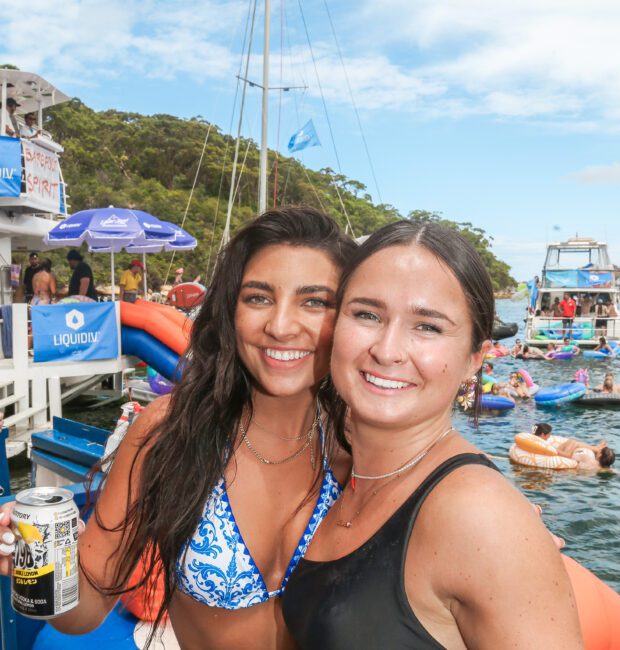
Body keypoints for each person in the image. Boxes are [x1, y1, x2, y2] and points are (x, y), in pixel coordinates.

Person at [0, 207, 356, 648]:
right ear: (230, 310)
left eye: (315, 301)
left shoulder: (361, 447)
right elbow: (86, 610)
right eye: (258, 297)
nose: (281, 326)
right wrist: (38, 564)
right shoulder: (170, 432)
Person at [282, 221, 582, 649]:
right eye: (367, 314)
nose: (387, 349)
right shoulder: (341, 470)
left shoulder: (479, 516)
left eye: (428, 327)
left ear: (474, 358)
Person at [532, 423, 615, 470]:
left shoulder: (590, 460)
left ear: (600, 455)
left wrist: (550, 448)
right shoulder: (602, 468)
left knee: (575, 444)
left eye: (599, 452)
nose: (550, 436)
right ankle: (596, 448)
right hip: (575, 467)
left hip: (568, 465)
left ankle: (596, 448)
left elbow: (572, 459)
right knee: (573, 442)